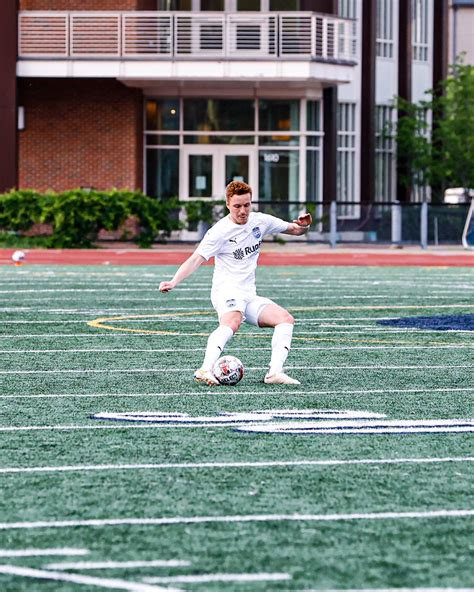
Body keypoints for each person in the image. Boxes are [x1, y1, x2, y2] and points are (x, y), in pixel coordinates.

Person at [159, 180, 312, 386]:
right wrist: (173, 281)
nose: (243, 211)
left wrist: (304, 225)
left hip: (248, 294)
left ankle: (274, 373)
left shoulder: (260, 221)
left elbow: (295, 230)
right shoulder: (219, 231)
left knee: (285, 319)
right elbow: (196, 258)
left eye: (247, 205)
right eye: (238, 206)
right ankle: (205, 369)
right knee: (232, 321)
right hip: (226, 291)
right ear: (228, 204)